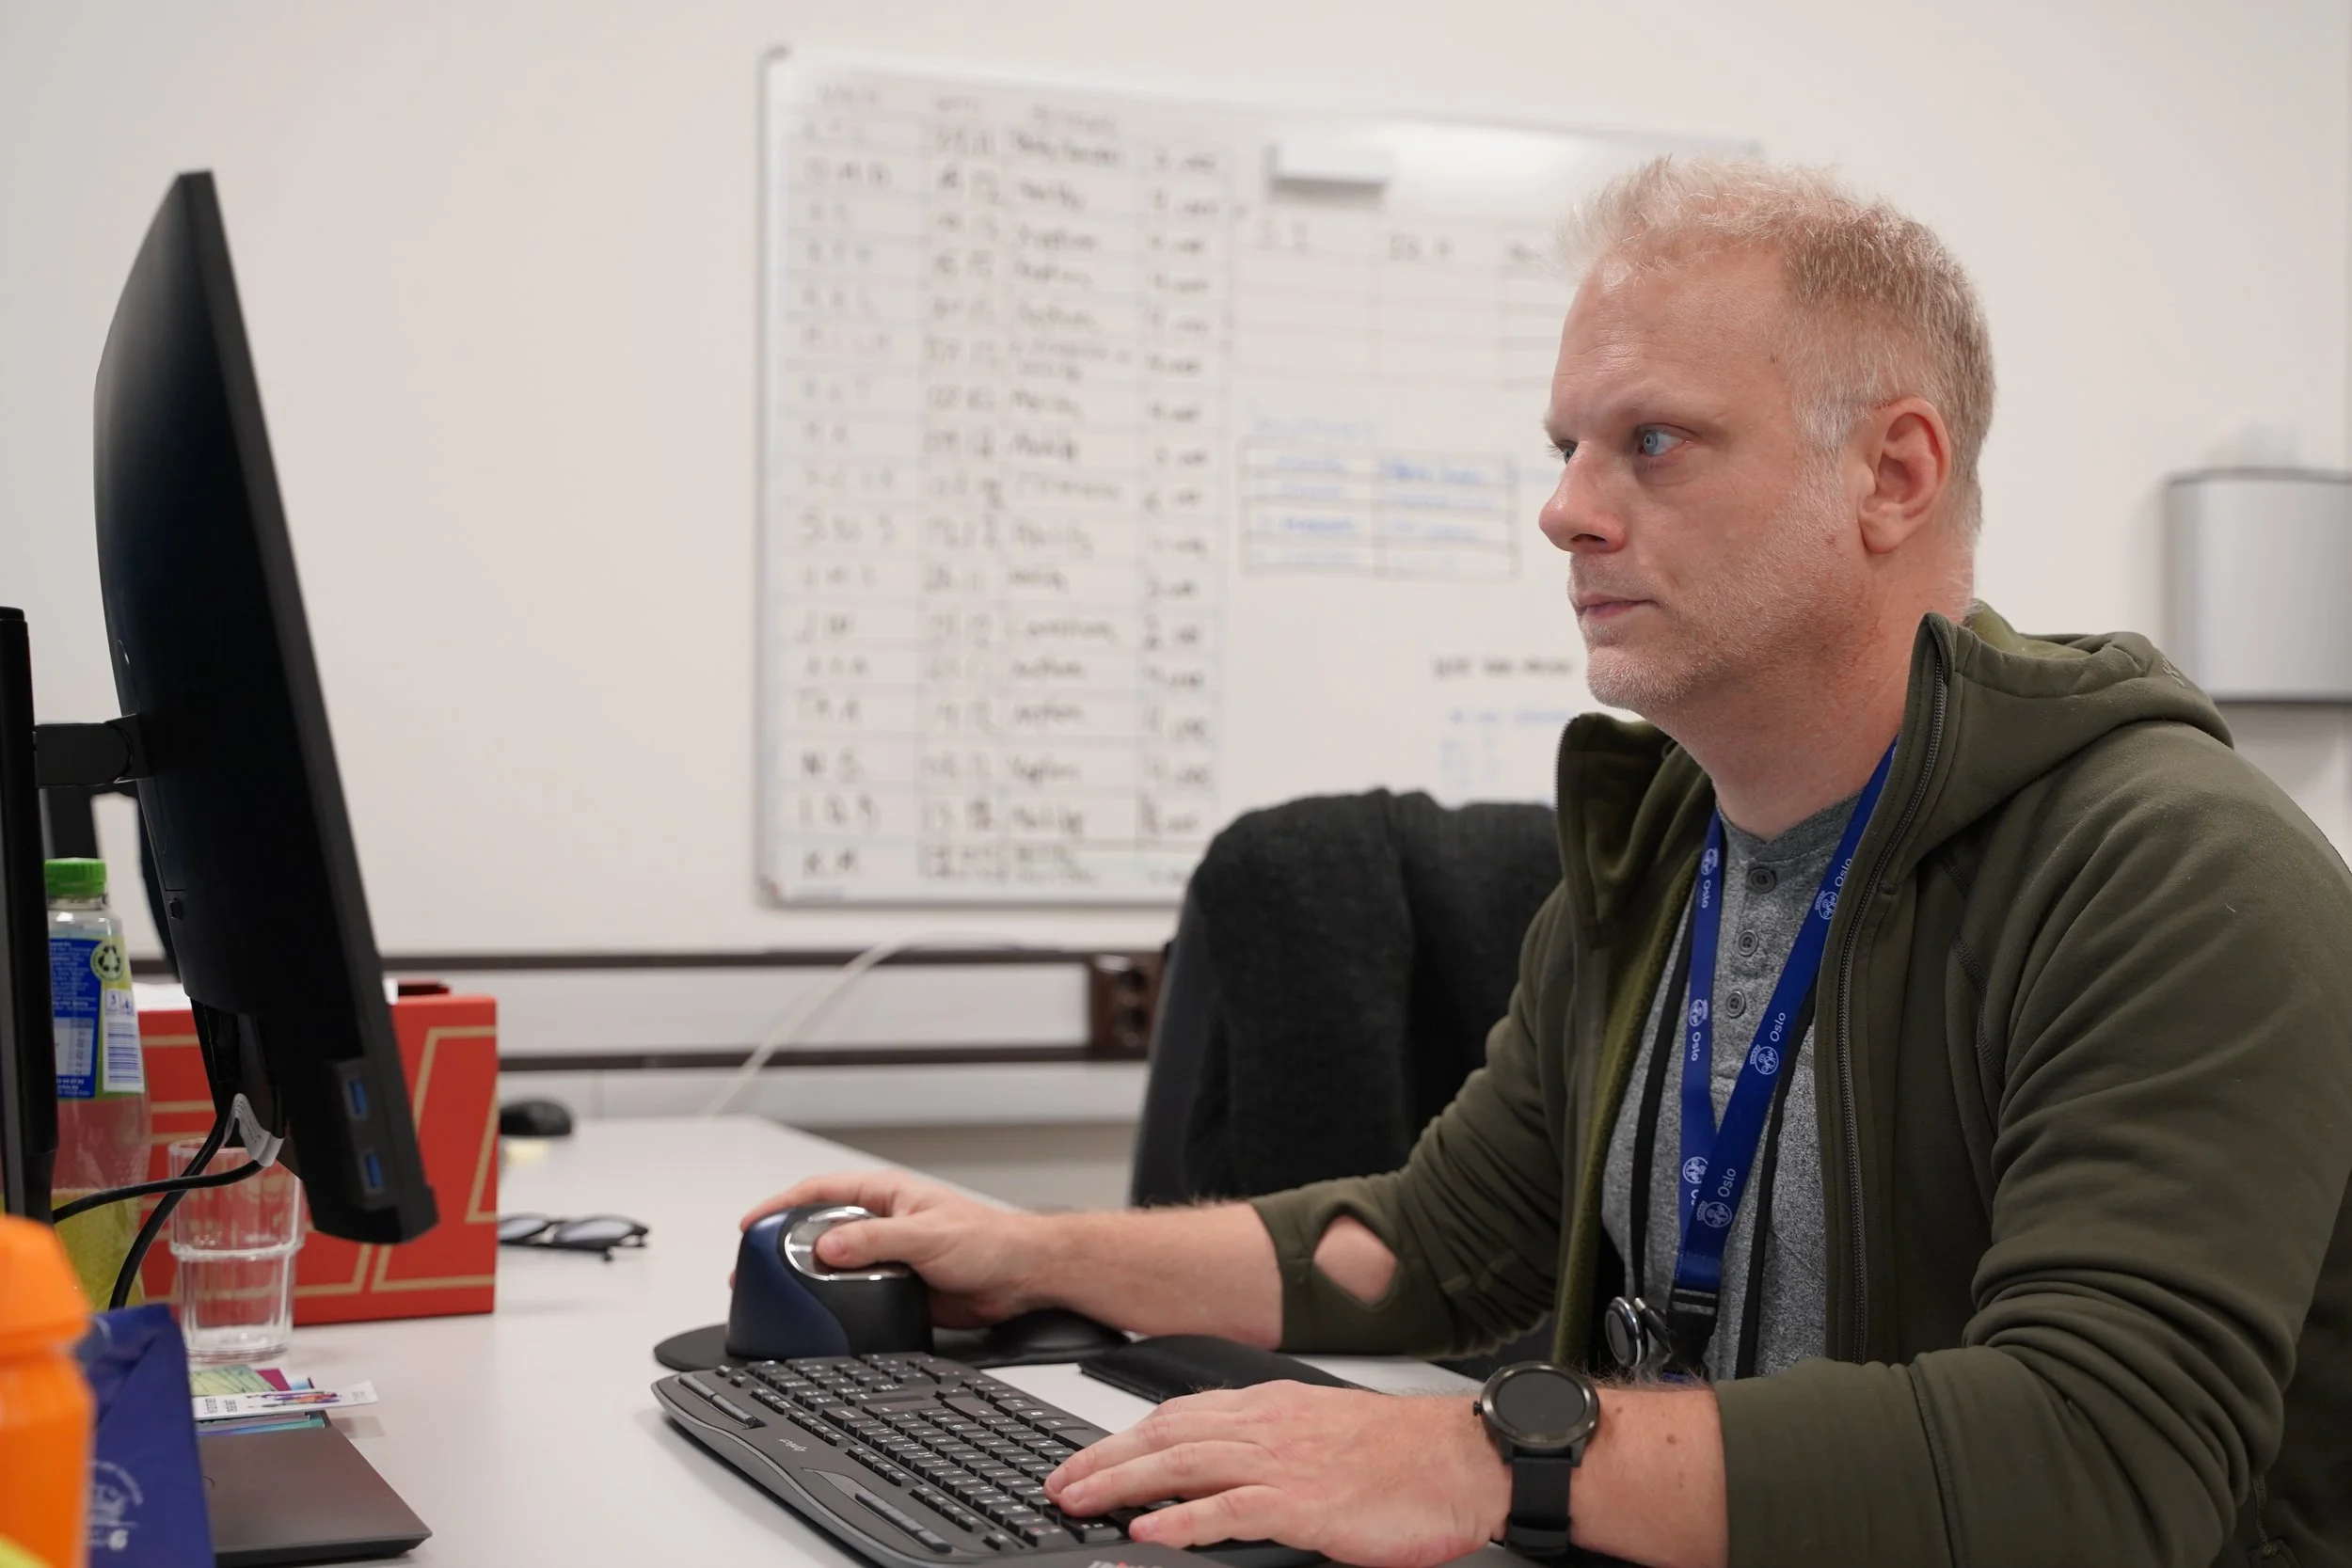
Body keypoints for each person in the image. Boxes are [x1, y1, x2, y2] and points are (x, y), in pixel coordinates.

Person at [747, 160, 2352, 1568]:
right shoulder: (1668, 849)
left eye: (1653, 441)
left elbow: (2104, 1457)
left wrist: (1481, 1455)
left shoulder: (2170, 871)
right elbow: (1431, 1240)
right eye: (1569, 445)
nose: (1566, 510)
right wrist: (1032, 1251)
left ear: (1893, 474)